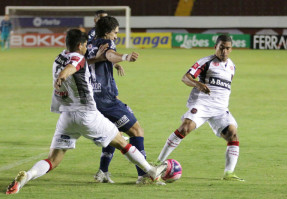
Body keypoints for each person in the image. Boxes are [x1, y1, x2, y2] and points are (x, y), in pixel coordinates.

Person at [5, 29, 167, 195]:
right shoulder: (77, 58)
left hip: (67, 117)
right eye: (84, 45)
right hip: (87, 114)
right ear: (79, 45)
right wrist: (63, 75)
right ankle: (151, 171)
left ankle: (27, 176)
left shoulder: (59, 57)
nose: (85, 48)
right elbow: (74, 65)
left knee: (53, 159)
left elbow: (79, 64)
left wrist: (97, 59)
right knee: (122, 142)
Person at [156, 34, 244, 181]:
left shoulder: (232, 67)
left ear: (231, 49)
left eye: (227, 48)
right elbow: (185, 77)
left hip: (220, 109)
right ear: (215, 47)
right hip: (202, 105)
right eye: (221, 48)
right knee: (185, 128)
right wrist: (198, 84)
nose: (224, 51)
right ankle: (158, 163)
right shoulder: (206, 62)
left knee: (232, 134)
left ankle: (229, 173)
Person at [86, 16, 152, 184]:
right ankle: (144, 175)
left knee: (114, 133)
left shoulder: (89, 43)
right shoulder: (107, 43)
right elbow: (110, 54)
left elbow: (93, 60)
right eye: (115, 32)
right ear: (107, 32)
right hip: (106, 100)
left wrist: (114, 64)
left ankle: (103, 171)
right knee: (136, 131)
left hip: (91, 98)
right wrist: (125, 57)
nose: (116, 36)